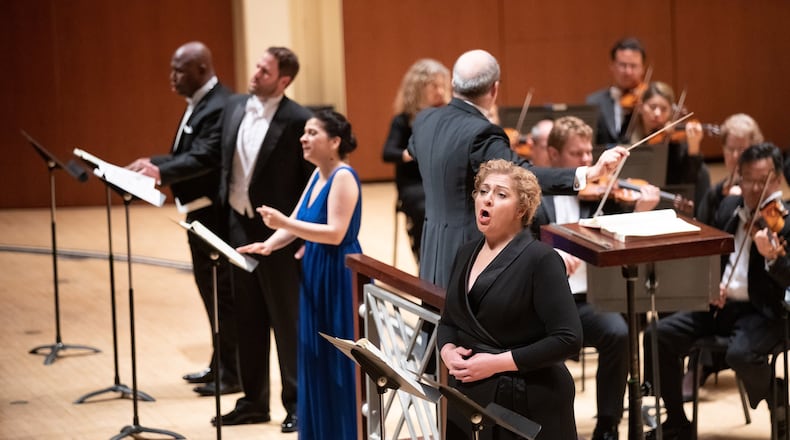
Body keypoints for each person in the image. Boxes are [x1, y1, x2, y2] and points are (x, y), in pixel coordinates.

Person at [167, 46, 312, 431]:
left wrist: (297, 236)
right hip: (237, 229)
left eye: (265, 71)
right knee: (246, 318)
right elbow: (221, 166)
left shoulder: (299, 120)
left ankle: (295, 404)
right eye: (257, 67)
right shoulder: (233, 108)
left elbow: (306, 184)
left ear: (284, 80)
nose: (256, 74)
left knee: (285, 323)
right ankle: (252, 401)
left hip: (279, 235)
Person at [407, 48, 628, 288]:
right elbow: (524, 176)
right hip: (471, 253)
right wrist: (590, 172)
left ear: (453, 84)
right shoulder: (482, 133)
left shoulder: (425, 120)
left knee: (436, 319)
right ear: (494, 89)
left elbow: (414, 150)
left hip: (432, 249)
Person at [642, 143, 790, 440]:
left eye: (764, 181)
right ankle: (676, 421)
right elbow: (707, 256)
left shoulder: (784, 221)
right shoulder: (727, 208)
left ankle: (777, 396)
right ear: (738, 177)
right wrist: (709, 286)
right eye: (749, 179)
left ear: (777, 180)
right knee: (658, 334)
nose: (755, 187)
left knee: (741, 355)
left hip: (764, 313)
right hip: (721, 308)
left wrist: (774, 258)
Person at [529, 116, 659, 440]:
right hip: (543, 305)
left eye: (589, 153)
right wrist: (551, 257)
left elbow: (621, 239)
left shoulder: (603, 196)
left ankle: (608, 426)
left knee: (618, 333)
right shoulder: (532, 198)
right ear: (555, 156)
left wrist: (641, 212)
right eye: (578, 155)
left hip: (588, 300)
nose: (588, 162)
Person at [438, 159, 583, 439]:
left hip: (528, 398)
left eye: (501, 194)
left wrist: (494, 363)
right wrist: (447, 351)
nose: (488, 199)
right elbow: (449, 321)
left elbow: (568, 338)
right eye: (483, 191)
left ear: (521, 210)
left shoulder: (542, 259)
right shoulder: (465, 252)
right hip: (469, 394)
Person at [238, 110, 361, 439]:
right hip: (315, 268)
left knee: (336, 359)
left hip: (338, 272)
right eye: (303, 132)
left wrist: (284, 224)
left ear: (334, 142)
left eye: (312, 133)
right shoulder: (318, 174)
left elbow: (335, 233)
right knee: (313, 352)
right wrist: (269, 244)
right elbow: (297, 220)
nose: (303, 139)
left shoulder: (343, 176)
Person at [126, 41, 239, 394]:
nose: (172, 77)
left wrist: (158, 171)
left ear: (202, 70)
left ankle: (231, 374)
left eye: (179, 70)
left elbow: (205, 156)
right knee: (209, 292)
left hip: (214, 216)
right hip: (196, 214)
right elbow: (188, 153)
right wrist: (153, 163)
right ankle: (219, 364)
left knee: (222, 296)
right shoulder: (200, 103)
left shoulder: (219, 105)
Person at [382, 59, 450, 263]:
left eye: (442, 85)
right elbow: (388, 153)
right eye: (433, 86)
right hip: (416, 185)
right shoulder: (403, 121)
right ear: (418, 89)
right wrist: (412, 153)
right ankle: (427, 264)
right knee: (427, 209)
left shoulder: (449, 116)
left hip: (444, 182)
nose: (440, 91)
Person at [628, 81, 711, 214]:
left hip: (670, 206)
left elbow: (689, 184)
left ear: (671, 112)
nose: (657, 113)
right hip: (635, 205)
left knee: (703, 172)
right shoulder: (629, 137)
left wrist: (694, 147)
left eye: (663, 109)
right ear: (641, 107)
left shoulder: (677, 145)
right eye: (652, 106)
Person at [697, 113, 764, 225]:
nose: (735, 156)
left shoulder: (762, 192)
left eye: (742, 149)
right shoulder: (714, 194)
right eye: (730, 149)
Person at [586, 37, 647, 147]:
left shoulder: (649, 100)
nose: (628, 72)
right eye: (623, 65)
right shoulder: (594, 102)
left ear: (642, 69)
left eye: (633, 66)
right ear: (612, 67)